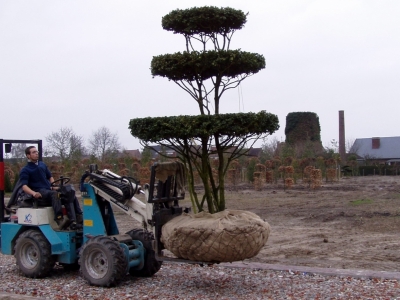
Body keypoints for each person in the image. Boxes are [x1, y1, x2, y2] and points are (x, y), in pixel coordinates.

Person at [19, 146, 82, 229]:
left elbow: (50, 176)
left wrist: (54, 186)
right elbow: (24, 186)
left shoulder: (42, 164)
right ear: (28, 155)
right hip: (39, 192)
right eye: (33, 152)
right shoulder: (26, 170)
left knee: (70, 192)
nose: (36, 153)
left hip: (48, 190)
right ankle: (59, 219)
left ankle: (77, 218)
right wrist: (34, 193)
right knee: (55, 194)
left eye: (37, 152)